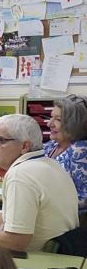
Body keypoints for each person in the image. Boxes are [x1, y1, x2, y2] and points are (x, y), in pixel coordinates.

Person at [0, 114, 78, 251]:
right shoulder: (49, 163)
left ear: (24, 146)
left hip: (39, 260)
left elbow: (15, 242)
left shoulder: (21, 175)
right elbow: (15, 217)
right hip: (66, 251)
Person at [43, 94, 87, 223]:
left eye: (58, 119)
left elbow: (83, 199)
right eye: (51, 117)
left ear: (75, 123)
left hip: (68, 224)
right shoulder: (50, 146)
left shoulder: (81, 151)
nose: (49, 123)